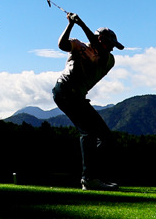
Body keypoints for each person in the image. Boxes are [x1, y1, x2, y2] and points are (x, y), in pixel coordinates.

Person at [52, 11, 125, 190]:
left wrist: (81, 23)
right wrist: (70, 25)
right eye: (110, 43)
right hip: (65, 91)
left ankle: (89, 171)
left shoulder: (109, 59)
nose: (112, 48)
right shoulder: (79, 46)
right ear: (101, 39)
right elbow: (62, 45)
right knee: (88, 133)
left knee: (106, 138)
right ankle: (88, 178)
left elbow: (98, 50)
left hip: (77, 96)